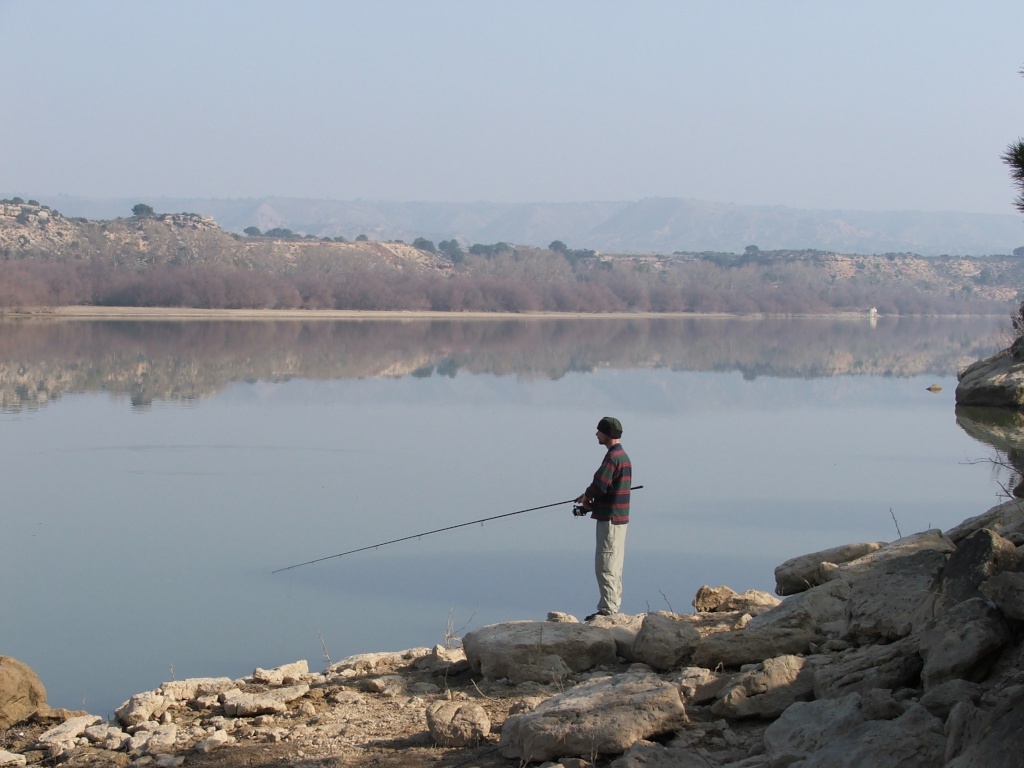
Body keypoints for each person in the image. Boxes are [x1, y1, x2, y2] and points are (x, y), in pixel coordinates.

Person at [575, 416, 632, 621]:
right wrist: (589, 497)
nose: (596, 434)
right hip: (619, 518)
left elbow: (600, 485)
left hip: (610, 519)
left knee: (605, 564)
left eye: (599, 431)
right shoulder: (623, 456)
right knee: (614, 563)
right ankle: (612, 605)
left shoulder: (612, 458)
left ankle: (607, 610)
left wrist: (587, 496)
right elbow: (607, 487)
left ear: (607, 434)